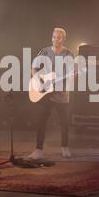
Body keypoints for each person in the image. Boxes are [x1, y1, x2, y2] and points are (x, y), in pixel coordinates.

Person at [28, 28, 74, 159]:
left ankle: (65, 147)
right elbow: (34, 68)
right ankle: (38, 150)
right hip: (46, 94)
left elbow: (72, 73)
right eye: (54, 37)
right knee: (41, 122)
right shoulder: (45, 51)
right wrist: (39, 80)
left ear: (63, 39)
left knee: (64, 123)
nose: (55, 40)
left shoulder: (68, 54)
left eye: (58, 37)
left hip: (62, 94)